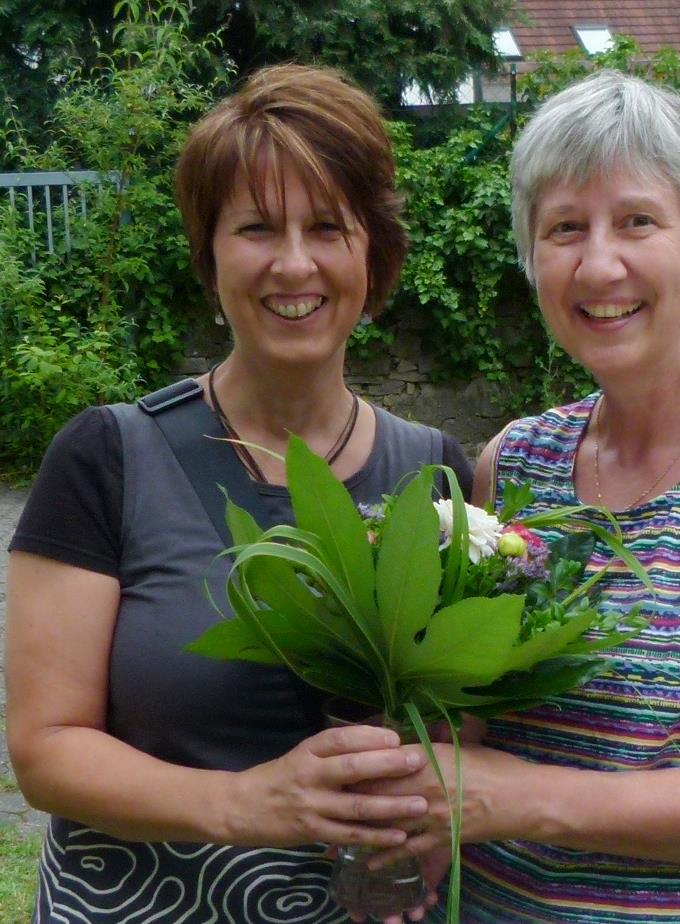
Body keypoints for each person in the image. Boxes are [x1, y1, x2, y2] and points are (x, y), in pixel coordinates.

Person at [362, 71, 680, 923]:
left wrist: (520, 799)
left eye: (637, 220)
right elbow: (473, 744)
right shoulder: (515, 463)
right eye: (564, 228)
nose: (598, 262)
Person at [5, 63, 472, 923]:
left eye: (328, 227)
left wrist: (420, 840)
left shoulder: (435, 477)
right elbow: (45, 750)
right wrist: (249, 805)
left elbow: (458, 750)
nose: (294, 264)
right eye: (257, 227)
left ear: (374, 249)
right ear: (209, 254)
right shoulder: (110, 455)